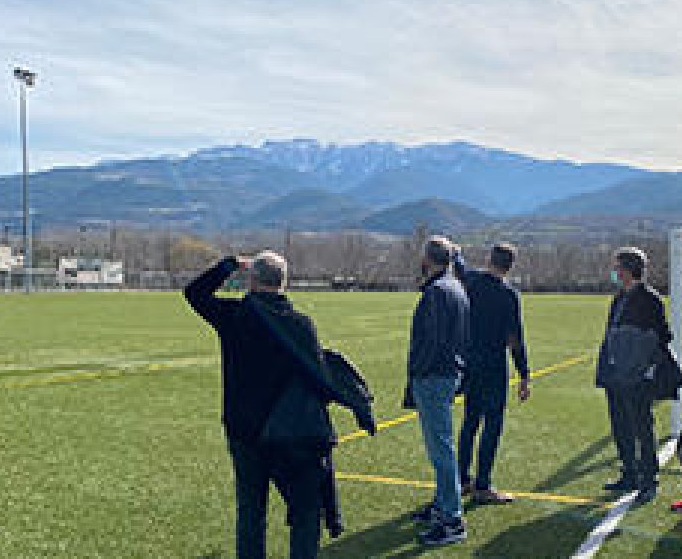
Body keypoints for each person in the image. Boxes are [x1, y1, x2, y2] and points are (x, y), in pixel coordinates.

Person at [185, 251, 373, 559]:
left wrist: (229, 264)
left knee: (251, 512)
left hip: (245, 430)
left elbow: (194, 293)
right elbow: (318, 379)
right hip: (292, 432)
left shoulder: (236, 317)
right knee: (304, 513)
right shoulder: (301, 324)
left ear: (252, 281)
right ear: (284, 283)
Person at [453, 243, 531, 505]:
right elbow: (515, 338)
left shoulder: (472, 281)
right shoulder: (508, 295)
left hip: (469, 362)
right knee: (492, 424)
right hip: (494, 364)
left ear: (489, 260)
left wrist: (457, 252)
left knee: (470, 422)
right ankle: (482, 485)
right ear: (510, 266)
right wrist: (524, 374)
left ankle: (461, 479)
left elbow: (460, 267)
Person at [594, 246, 673, 502]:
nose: (614, 272)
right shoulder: (619, 299)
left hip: (638, 376)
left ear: (629, 270)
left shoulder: (650, 299)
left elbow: (662, 337)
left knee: (642, 426)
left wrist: (647, 369)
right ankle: (628, 473)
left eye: (617, 267)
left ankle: (649, 479)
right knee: (620, 425)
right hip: (616, 374)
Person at [407, 236, 471, 546]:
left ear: (429, 260)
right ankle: (442, 505)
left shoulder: (436, 291)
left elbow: (430, 341)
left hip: (434, 376)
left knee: (440, 449)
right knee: (442, 447)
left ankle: (451, 518)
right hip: (448, 374)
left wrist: (418, 373)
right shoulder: (456, 286)